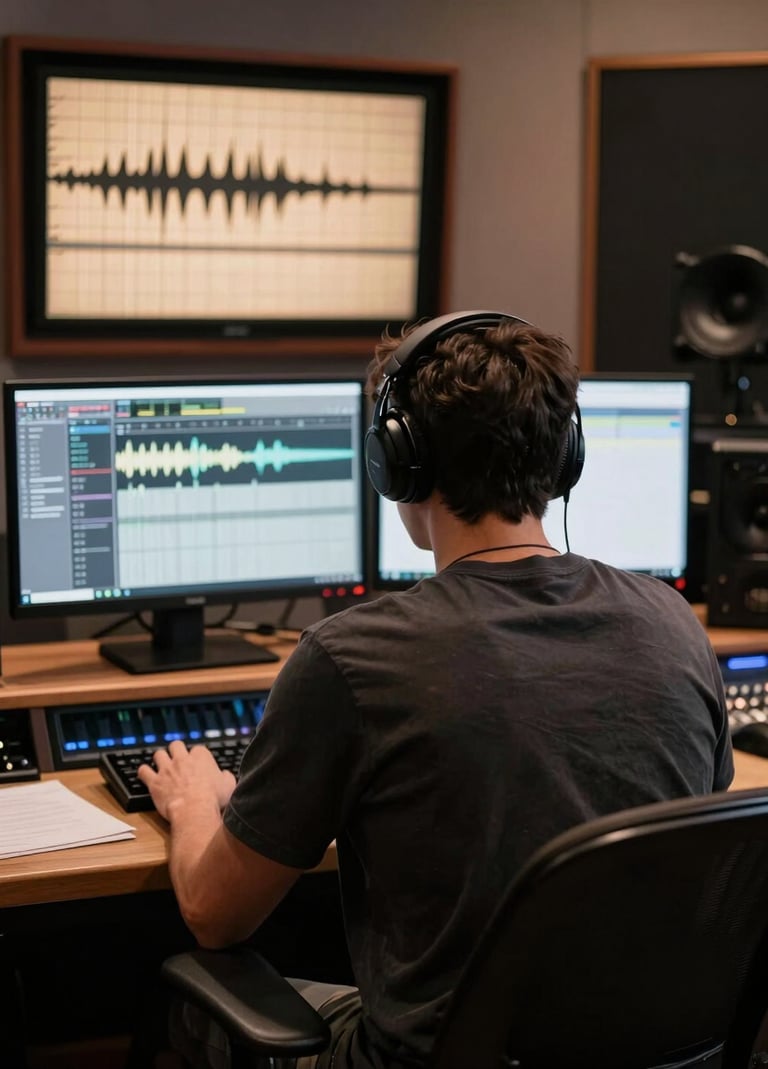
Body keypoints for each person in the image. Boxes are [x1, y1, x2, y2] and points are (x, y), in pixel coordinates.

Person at [139, 310, 732, 1069]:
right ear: (565, 455)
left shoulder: (350, 659)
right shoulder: (673, 623)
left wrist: (193, 804)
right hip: (661, 1055)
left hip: (437, 1057)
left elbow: (215, 914)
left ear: (399, 461)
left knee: (191, 1010)